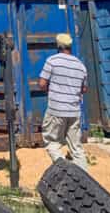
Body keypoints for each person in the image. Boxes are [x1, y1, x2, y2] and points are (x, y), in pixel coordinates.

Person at [38, 32, 88, 168]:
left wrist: (52, 91)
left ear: (58, 46)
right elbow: (84, 89)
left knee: (52, 143)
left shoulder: (52, 61)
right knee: (76, 148)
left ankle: (64, 170)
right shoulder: (80, 65)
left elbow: (42, 84)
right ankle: (84, 177)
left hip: (56, 110)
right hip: (74, 111)